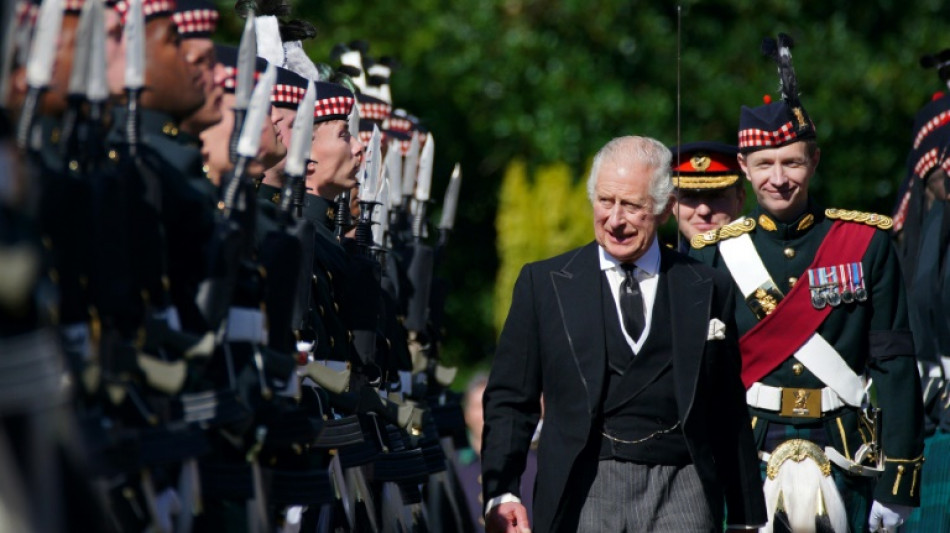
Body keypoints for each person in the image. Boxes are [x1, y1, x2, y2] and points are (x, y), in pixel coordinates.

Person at [690, 34, 924, 533]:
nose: (779, 177)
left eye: (792, 162)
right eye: (765, 165)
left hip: (847, 453)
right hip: (747, 451)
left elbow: (896, 363)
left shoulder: (866, 242)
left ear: (814, 163)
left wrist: (898, 482)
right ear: (744, 171)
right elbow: (700, 374)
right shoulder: (713, 252)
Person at [481, 135, 766, 532]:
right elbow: (512, 398)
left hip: (682, 487)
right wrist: (502, 490)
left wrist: (745, 513)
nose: (615, 219)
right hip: (583, 489)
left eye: (632, 206)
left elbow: (726, 408)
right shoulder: (544, 284)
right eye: (605, 201)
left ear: (665, 207)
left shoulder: (705, 286)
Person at [670, 141, 746, 250]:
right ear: (671, 204)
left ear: (740, 200)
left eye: (715, 196)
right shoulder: (658, 265)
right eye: (689, 197)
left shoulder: (761, 262)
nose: (704, 211)